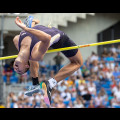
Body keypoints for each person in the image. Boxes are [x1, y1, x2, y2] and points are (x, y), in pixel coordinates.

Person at [13, 16, 83, 106]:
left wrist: (31, 24)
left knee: (30, 54)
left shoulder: (16, 40)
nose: (16, 69)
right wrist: (26, 28)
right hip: (59, 38)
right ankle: (50, 84)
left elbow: (32, 29)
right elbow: (47, 38)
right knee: (78, 63)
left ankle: (35, 84)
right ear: (27, 66)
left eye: (17, 71)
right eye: (20, 71)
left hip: (41, 31)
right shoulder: (35, 55)